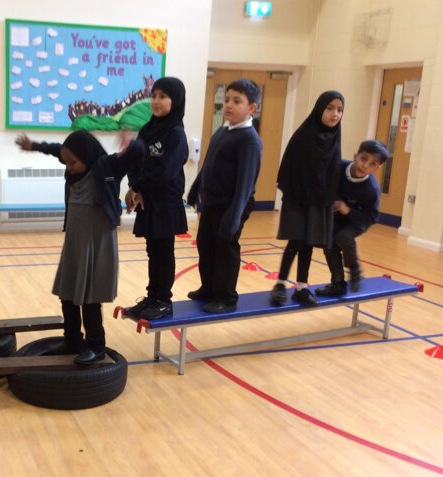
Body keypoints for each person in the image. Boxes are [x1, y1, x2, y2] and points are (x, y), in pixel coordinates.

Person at [15, 130, 145, 365]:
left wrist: (130, 143)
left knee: (89, 296)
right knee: (68, 292)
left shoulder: (106, 166)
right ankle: (72, 339)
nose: (69, 167)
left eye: (73, 162)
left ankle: (96, 345)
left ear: (86, 155)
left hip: (97, 240)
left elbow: (137, 153)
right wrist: (33, 145)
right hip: (75, 240)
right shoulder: (73, 167)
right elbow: (56, 149)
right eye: (66, 162)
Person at [186, 78, 263, 313]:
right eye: (227, 99)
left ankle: (226, 296)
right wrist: (196, 187)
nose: (228, 105)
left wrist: (234, 215)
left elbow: (245, 183)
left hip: (232, 205)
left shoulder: (249, 140)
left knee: (225, 249)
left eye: (236, 101)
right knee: (206, 244)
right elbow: (208, 162)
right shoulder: (223, 130)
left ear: (252, 108)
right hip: (212, 202)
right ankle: (208, 288)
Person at [270, 90, 345, 307]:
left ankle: (301, 287)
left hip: (320, 200)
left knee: (309, 243)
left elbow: (332, 170)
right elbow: (289, 165)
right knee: (295, 241)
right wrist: (293, 192)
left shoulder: (335, 137)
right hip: (298, 197)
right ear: (320, 109)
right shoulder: (304, 134)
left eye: (340, 110)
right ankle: (280, 284)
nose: (335, 114)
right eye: (330, 108)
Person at [124, 77, 189, 320]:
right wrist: (134, 187)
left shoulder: (176, 134)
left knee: (164, 251)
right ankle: (152, 297)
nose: (156, 101)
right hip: (148, 200)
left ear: (176, 100)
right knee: (152, 251)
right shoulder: (147, 129)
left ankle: (163, 300)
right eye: (153, 96)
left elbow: (165, 172)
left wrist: (138, 187)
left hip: (166, 203)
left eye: (163, 96)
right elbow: (134, 160)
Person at [315, 139, 389, 296]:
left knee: (343, 237)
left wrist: (347, 210)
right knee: (329, 243)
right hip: (337, 216)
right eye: (363, 159)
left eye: (372, 163)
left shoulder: (371, 189)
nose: (365, 165)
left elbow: (371, 217)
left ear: (377, 168)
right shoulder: (339, 168)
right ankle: (338, 284)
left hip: (359, 220)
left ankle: (354, 268)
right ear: (355, 156)